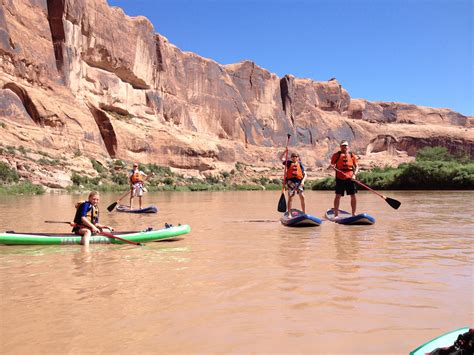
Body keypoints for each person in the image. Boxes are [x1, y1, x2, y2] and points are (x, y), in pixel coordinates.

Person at [329, 140, 359, 218]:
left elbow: (357, 167)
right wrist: (332, 166)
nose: (344, 147)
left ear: (348, 146)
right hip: (340, 177)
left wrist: (354, 175)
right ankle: (336, 215)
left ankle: (354, 213)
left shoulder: (352, 155)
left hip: (350, 177)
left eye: (345, 145)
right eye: (343, 145)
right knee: (338, 195)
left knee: (353, 195)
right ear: (340, 146)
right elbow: (332, 164)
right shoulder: (336, 155)